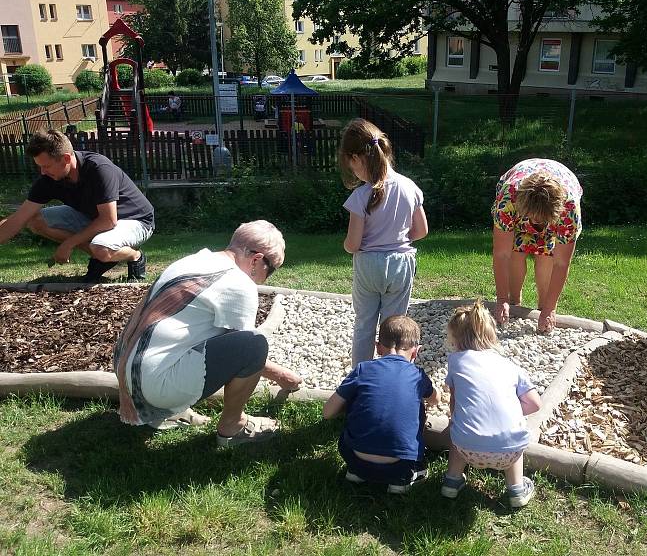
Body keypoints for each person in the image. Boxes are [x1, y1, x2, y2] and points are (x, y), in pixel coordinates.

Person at [114, 220, 303, 446]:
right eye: (270, 270)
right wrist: (284, 376)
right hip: (154, 385)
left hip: (126, 372)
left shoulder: (195, 259)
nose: (267, 277)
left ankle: (166, 410)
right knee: (254, 345)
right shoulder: (239, 283)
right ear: (257, 260)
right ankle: (233, 426)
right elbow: (243, 351)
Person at [0, 129, 152, 282]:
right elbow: (19, 218)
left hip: (136, 220)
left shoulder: (99, 169)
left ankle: (134, 256)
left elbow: (108, 220)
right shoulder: (48, 179)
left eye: (46, 166)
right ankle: (101, 257)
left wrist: (68, 244)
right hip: (93, 218)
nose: (43, 172)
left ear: (66, 158)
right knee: (35, 221)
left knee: (101, 248)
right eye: (40, 166)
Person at [339, 118, 428, 365]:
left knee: (364, 324)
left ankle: (360, 376)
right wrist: (396, 238)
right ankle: (393, 374)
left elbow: (353, 244)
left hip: (368, 265)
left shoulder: (361, 196)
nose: (353, 172)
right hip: (401, 264)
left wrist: (347, 246)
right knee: (394, 327)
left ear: (356, 159)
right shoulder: (410, 187)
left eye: (352, 166)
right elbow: (421, 231)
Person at [441, 300, 542, 507]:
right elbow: (534, 404)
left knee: (457, 425)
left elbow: (454, 403)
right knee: (514, 428)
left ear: (456, 341)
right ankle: (516, 489)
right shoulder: (510, 366)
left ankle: (452, 481)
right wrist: (512, 410)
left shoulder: (456, 361)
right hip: (510, 451)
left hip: (466, 448)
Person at [323, 315, 439, 493]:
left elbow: (327, 412)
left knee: (354, 400)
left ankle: (356, 473)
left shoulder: (362, 369)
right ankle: (400, 482)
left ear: (377, 348)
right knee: (420, 408)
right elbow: (435, 399)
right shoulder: (418, 375)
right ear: (416, 352)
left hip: (354, 456)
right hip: (401, 464)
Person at [492, 158, 582, 332]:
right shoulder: (508, 198)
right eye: (532, 216)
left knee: (546, 255)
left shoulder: (569, 209)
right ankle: (513, 303)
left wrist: (550, 308)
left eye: (540, 219)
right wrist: (501, 299)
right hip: (517, 200)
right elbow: (502, 254)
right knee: (516, 251)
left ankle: (543, 308)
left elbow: (561, 263)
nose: (535, 222)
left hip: (558, 204)